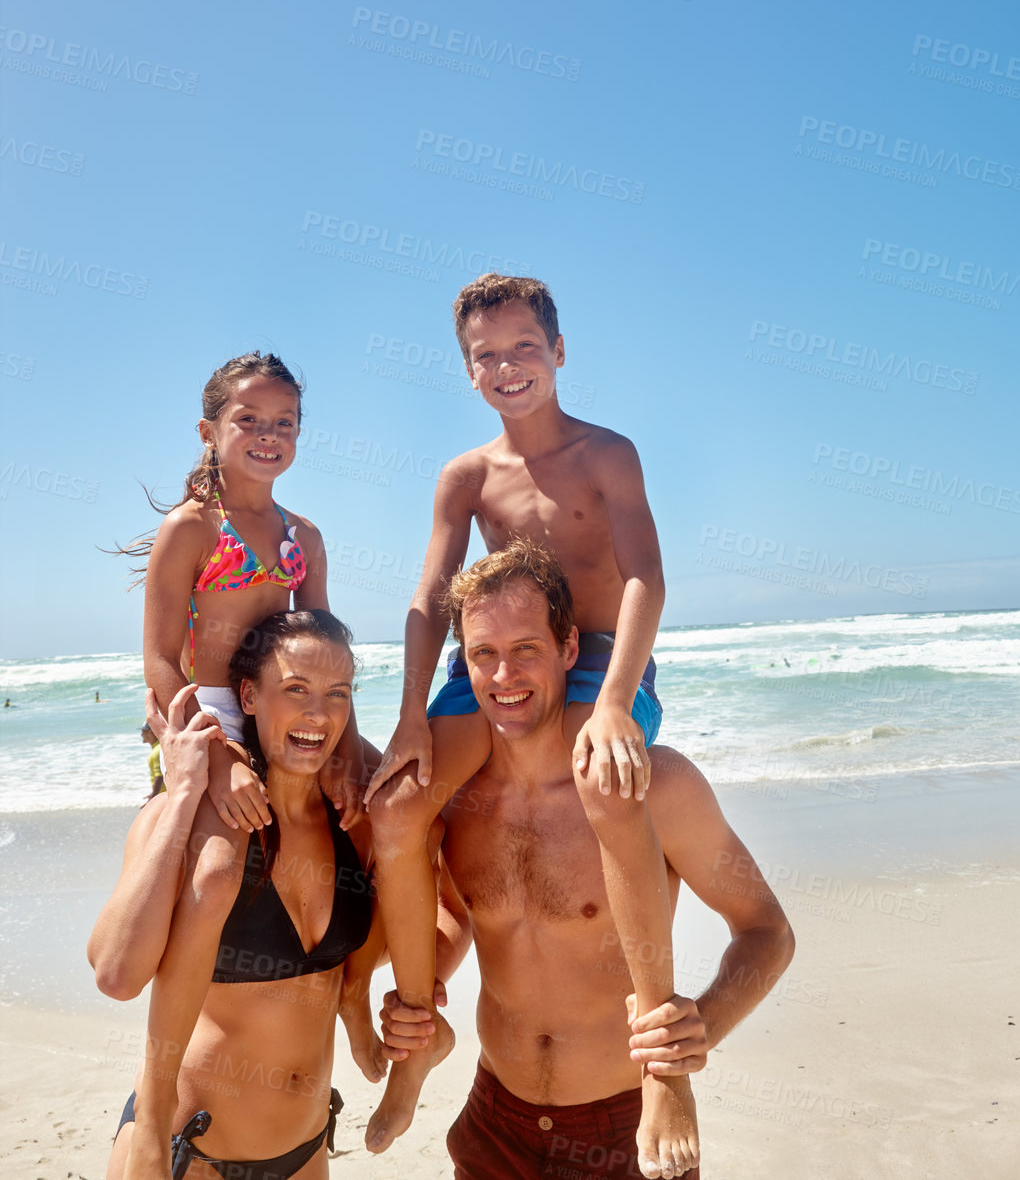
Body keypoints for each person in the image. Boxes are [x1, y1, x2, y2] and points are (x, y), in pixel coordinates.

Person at [364, 277, 685, 1174]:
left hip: (596, 662)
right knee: (395, 809)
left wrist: (616, 699)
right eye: (486, 354)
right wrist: (410, 721)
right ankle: (418, 1039)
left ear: (558, 350)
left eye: (523, 347)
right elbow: (432, 597)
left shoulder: (606, 452)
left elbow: (645, 579)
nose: (507, 367)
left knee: (600, 780)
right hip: (502, 665)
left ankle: (658, 1054)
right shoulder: (467, 476)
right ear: (466, 369)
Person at [378, 543, 795, 1180]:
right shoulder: (458, 797)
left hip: (627, 1128)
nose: (503, 677)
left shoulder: (656, 788)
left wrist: (698, 1030)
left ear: (568, 650)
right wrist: (421, 992)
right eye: (484, 654)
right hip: (496, 1120)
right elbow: (464, 912)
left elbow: (767, 931)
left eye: (525, 649)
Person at [89, 610, 392, 1180]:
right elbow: (116, 971)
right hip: (184, 1152)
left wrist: (367, 1005)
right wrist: (180, 797)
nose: (317, 714)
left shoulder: (354, 823)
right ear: (248, 695)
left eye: (338, 694)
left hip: (305, 1153)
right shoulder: (201, 823)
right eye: (295, 689)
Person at [115, 352, 366, 836]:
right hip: (208, 713)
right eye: (248, 420)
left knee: (389, 803)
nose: (268, 434)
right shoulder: (192, 527)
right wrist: (215, 755)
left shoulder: (304, 536)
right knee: (221, 864)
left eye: (284, 422)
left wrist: (348, 752)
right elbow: (161, 661)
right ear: (209, 432)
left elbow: (329, 657)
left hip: (284, 705)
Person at [141, 724, 164, 802]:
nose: (141, 735)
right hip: (163, 795)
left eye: (143, 731)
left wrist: (153, 798)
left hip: (163, 797)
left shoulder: (157, 751)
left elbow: (159, 777)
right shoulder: (159, 747)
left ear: (150, 732)